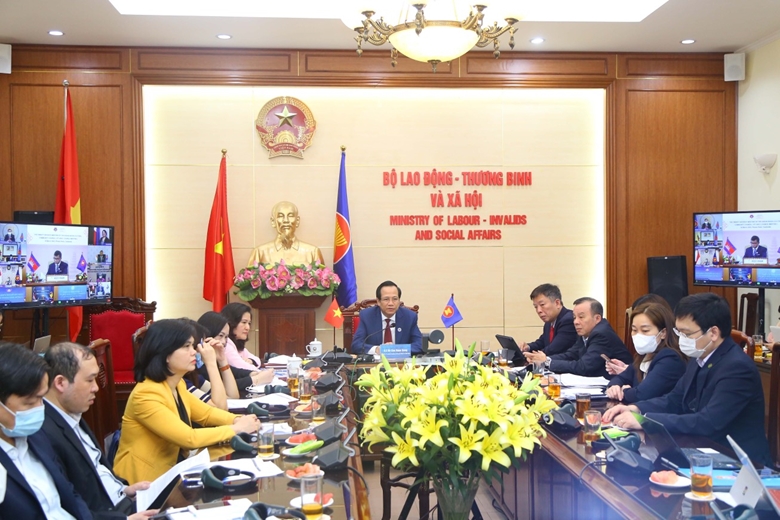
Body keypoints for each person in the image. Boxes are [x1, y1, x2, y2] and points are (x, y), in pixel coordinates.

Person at [603, 293, 771, 464]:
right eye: (679, 332)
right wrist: (636, 409)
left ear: (713, 333)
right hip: (701, 450)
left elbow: (708, 422)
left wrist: (646, 421)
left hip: (739, 462)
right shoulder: (699, 357)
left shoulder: (737, 368)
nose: (681, 339)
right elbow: (674, 399)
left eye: (686, 334)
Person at [113, 319, 261, 483]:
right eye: (186, 346)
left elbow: (207, 414)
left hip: (172, 472)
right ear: (165, 354)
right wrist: (237, 428)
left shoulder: (177, 384)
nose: (194, 352)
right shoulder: (146, 394)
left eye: (193, 346)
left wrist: (238, 419)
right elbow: (189, 438)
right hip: (144, 483)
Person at [42, 342, 157, 519]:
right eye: (89, 380)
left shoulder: (72, 412)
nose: (96, 387)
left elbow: (97, 468)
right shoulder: (45, 433)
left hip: (124, 501)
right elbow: (71, 504)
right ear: (60, 382)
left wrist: (124, 489)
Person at [0, 342, 93, 519]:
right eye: (29, 403)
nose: (39, 409)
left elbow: (70, 495)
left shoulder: (37, 437)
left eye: (42, 398)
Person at [524, 297, 632, 378]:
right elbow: (572, 354)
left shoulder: (601, 334)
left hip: (617, 385)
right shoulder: (586, 331)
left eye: (581, 317)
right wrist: (545, 359)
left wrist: (547, 362)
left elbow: (583, 367)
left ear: (597, 318)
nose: (576, 322)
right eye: (574, 317)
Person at [605, 303, 687, 403]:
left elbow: (642, 395)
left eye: (645, 330)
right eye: (634, 330)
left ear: (663, 333)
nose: (638, 335)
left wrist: (624, 391)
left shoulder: (670, 358)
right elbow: (621, 377)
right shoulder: (644, 355)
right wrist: (614, 386)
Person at [197, 311, 269, 393]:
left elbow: (234, 371)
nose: (224, 342)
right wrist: (256, 379)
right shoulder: (197, 364)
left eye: (226, 337)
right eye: (220, 336)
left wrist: (251, 373)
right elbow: (224, 387)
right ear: (205, 336)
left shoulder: (216, 353)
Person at [179, 318, 239, 410]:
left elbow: (232, 397)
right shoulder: (180, 381)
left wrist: (222, 360)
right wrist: (211, 363)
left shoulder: (193, 376)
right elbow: (220, 408)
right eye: (187, 346)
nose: (196, 351)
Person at [351, 280, 423, 355]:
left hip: (401, 361)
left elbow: (420, 345)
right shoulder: (367, 316)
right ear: (378, 301)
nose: (391, 303)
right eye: (386, 299)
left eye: (395, 299)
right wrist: (377, 349)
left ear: (399, 301)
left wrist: (396, 349)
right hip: (375, 361)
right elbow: (356, 345)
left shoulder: (409, 317)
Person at [247, 201, 324, 266]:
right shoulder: (260, 252)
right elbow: (249, 277)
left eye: (290, 216)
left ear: (297, 221)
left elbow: (322, 277)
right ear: (273, 221)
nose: (286, 220)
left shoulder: (313, 252)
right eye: (280, 216)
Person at [520, 283, 577, 357]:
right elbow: (542, 342)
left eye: (542, 305)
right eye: (536, 307)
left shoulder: (568, 320)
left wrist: (531, 356)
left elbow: (554, 349)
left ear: (557, 303)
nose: (539, 310)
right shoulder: (549, 322)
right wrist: (527, 347)